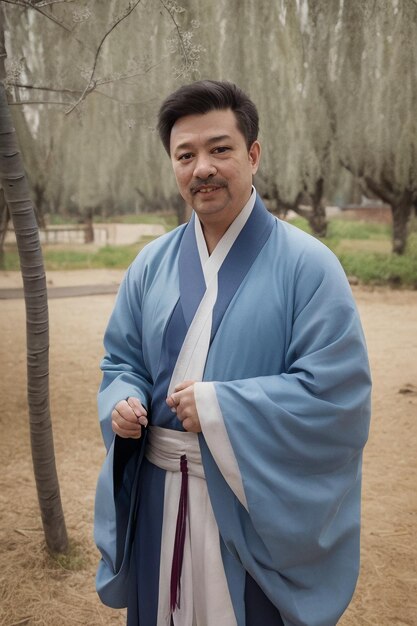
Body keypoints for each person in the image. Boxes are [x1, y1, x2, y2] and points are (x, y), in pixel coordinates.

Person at [94, 80, 371, 626]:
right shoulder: (150, 264)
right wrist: (123, 402)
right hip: (158, 493)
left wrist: (223, 408)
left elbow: (336, 396)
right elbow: (121, 361)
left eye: (220, 149)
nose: (203, 168)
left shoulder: (309, 266)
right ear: (173, 166)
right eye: (186, 154)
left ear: (253, 154)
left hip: (248, 506)